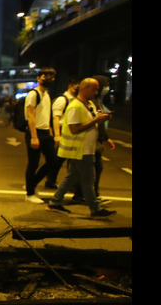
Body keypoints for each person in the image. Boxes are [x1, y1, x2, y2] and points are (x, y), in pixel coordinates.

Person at [46, 78, 115, 218]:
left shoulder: (88, 104)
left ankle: (55, 202)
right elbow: (74, 129)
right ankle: (95, 210)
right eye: (94, 89)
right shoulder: (74, 107)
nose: (97, 92)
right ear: (83, 88)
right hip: (80, 150)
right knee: (89, 179)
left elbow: (89, 122)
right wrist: (96, 120)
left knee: (72, 177)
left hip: (86, 148)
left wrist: (101, 119)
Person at [23, 67, 60, 203]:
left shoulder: (47, 94)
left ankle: (31, 184)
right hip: (35, 131)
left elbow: (46, 115)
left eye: (51, 77)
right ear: (38, 78)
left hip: (45, 132)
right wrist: (34, 136)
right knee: (33, 163)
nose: (48, 79)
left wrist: (51, 131)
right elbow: (30, 115)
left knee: (53, 161)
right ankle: (30, 193)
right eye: (45, 77)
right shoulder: (33, 94)